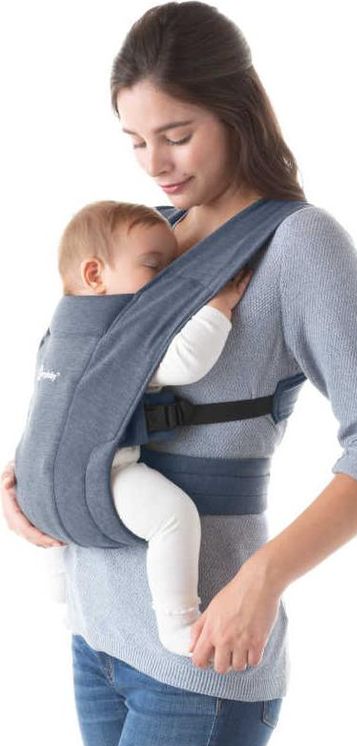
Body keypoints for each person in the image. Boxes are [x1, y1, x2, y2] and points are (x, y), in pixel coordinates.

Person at [1, 3, 357, 746]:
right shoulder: (145, 238)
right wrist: (28, 472)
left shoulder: (297, 245)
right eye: (135, 140)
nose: (157, 163)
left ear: (236, 108)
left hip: (202, 653)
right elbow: (88, 391)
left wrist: (262, 580)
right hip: (99, 638)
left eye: (177, 133)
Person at [41, 198, 252, 656]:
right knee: (174, 516)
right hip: (101, 474)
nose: (169, 281)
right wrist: (219, 305)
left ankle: (64, 590)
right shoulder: (115, 336)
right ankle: (177, 624)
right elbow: (185, 362)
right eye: (156, 267)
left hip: (44, 479)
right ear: (95, 275)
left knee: (63, 523)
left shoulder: (60, 332)